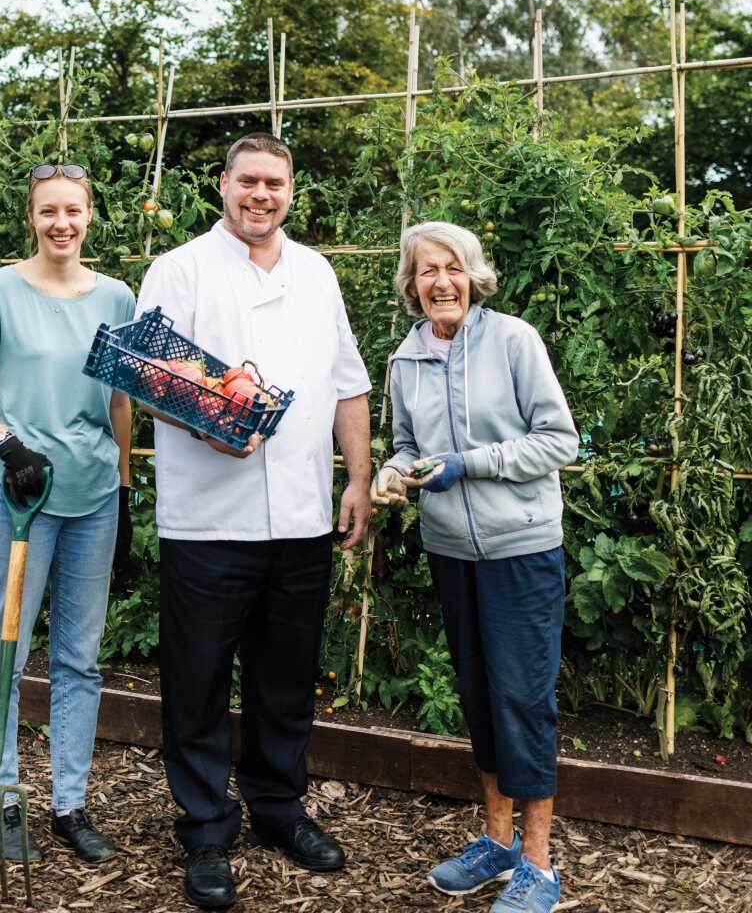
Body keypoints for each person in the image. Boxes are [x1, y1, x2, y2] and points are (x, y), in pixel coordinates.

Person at [134, 131, 374, 911]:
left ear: (292, 191)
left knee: (285, 677)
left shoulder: (317, 273)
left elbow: (347, 385)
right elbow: (145, 371)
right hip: (208, 520)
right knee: (197, 682)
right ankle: (205, 828)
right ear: (224, 185)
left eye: (274, 184)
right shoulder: (179, 268)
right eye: (248, 183)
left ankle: (278, 808)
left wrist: (359, 479)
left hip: (302, 515)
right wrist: (205, 421)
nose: (261, 196)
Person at [370, 220, 579, 913]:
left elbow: (558, 440)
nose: (440, 282)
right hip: (452, 553)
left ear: (473, 275)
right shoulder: (405, 360)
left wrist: (467, 466)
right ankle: (496, 843)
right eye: (426, 270)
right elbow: (406, 445)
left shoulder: (514, 340)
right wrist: (392, 474)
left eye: (452, 268)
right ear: (411, 285)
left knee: (524, 699)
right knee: (482, 700)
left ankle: (540, 866)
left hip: (521, 548)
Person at [0, 163, 136, 867]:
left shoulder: (117, 297)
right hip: (19, 497)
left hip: (92, 498)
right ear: (31, 218)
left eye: (74, 210)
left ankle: (69, 803)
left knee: (80, 660)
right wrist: (7, 443)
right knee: (5, 651)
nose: (62, 223)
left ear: (90, 216)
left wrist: (122, 490)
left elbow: (121, 403)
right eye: (49, 211)